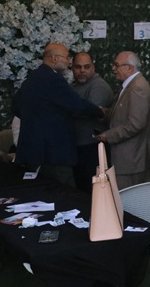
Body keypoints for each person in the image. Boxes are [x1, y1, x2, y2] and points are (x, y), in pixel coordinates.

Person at [12, 43, 103, 186]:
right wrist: (100, 112)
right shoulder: (52, 79)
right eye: (66, 57)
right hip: (53, 153)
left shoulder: (33, 78)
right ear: (54, 58)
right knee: (64, 193)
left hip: (34, 153)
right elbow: (77, 105)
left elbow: (16, 107)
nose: (69, 62)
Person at [95, 51, 150, 190]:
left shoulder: (137, 87)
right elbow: (127, 114)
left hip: (132, 160)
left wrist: (108, 136)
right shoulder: (131, 85)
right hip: (130, 160)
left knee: (128, 199)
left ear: (129, 67)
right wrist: (106, 112)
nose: (113, 69)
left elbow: (135, 124)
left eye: (117, 65)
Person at [71, 52, 114, 193]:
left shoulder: (98, 86)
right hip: (78, 147)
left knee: (92, 192)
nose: (82, 70)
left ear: (93, 68)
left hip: (93, 147)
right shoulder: (72, 86)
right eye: (78, 67)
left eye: (86, 67)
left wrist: (66, 109)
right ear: (72, 68)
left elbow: (90, 111)